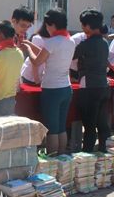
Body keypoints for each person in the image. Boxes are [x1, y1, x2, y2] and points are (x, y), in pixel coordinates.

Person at [20, 8, 75, 155]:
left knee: (52, 129)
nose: (47, 28)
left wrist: (27, 48)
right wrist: (30, 44)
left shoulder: (52, 42)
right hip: (66, 87)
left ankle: (52, 159)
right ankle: (62, 158)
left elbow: (37, 61)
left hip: (52, 89)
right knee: (62, 127)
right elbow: (47, 55)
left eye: (47, 25)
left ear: (52, 25)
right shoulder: (70, 41)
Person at [73, 9, 111, 152]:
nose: (82, 28)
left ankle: (88, 153)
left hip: (89, 86)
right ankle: (104, 150)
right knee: (102, 123)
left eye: (83, 25)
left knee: (89, 125)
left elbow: (71, 55)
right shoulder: (105, 42)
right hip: (103, 85)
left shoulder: (86, 44)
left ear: (88, 26)